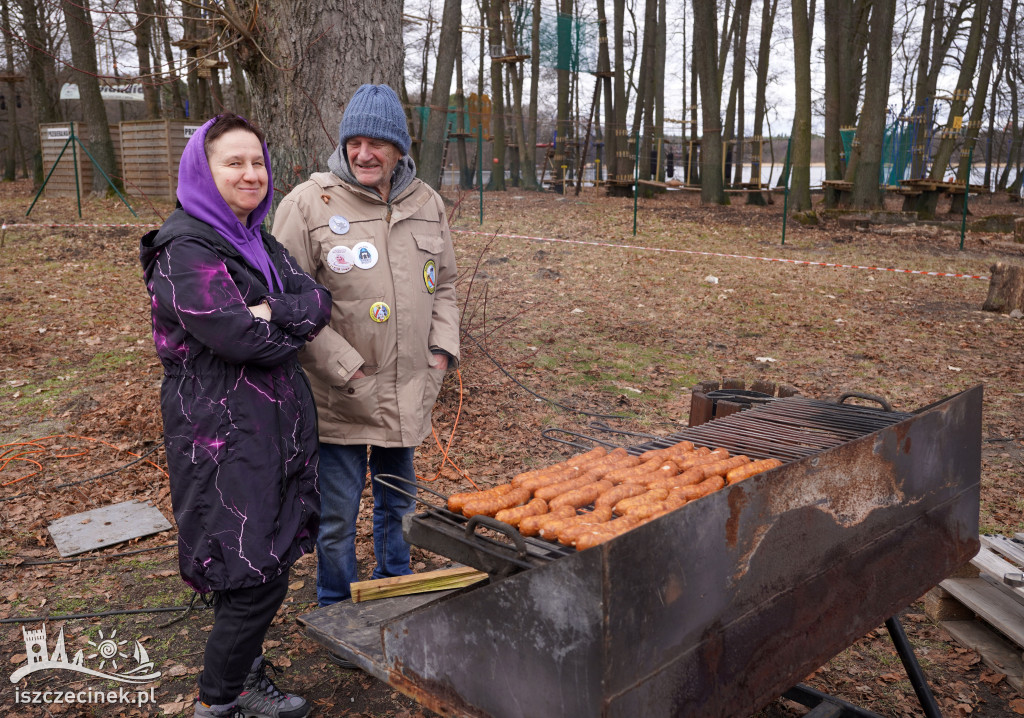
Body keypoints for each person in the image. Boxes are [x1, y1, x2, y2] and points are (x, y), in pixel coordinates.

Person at [140, 112, 331, 718]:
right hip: (221, 429)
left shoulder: (254, 238)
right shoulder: (184, 248)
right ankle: (220, 699)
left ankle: (241, 675)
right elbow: (239, 337)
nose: (251, 174)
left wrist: (269, 311)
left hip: (271, 422)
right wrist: (280, 321)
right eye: (234, 163)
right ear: (203, 169)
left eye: (258, 163)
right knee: (251, 564)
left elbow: (317, 301)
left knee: (257, 555)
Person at [272, 84, 460, 618]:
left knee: (398, 502)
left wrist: (441, 349)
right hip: (341, 397)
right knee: (337, 514)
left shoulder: (426, 203)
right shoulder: (308, 203)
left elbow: (443, 284)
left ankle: (393, 587)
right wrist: (342, 365)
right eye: (354, 141)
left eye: (377, 142)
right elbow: (285, 298)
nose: (363, 154)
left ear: (399, 147)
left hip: (407, 391)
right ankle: (336, 604)